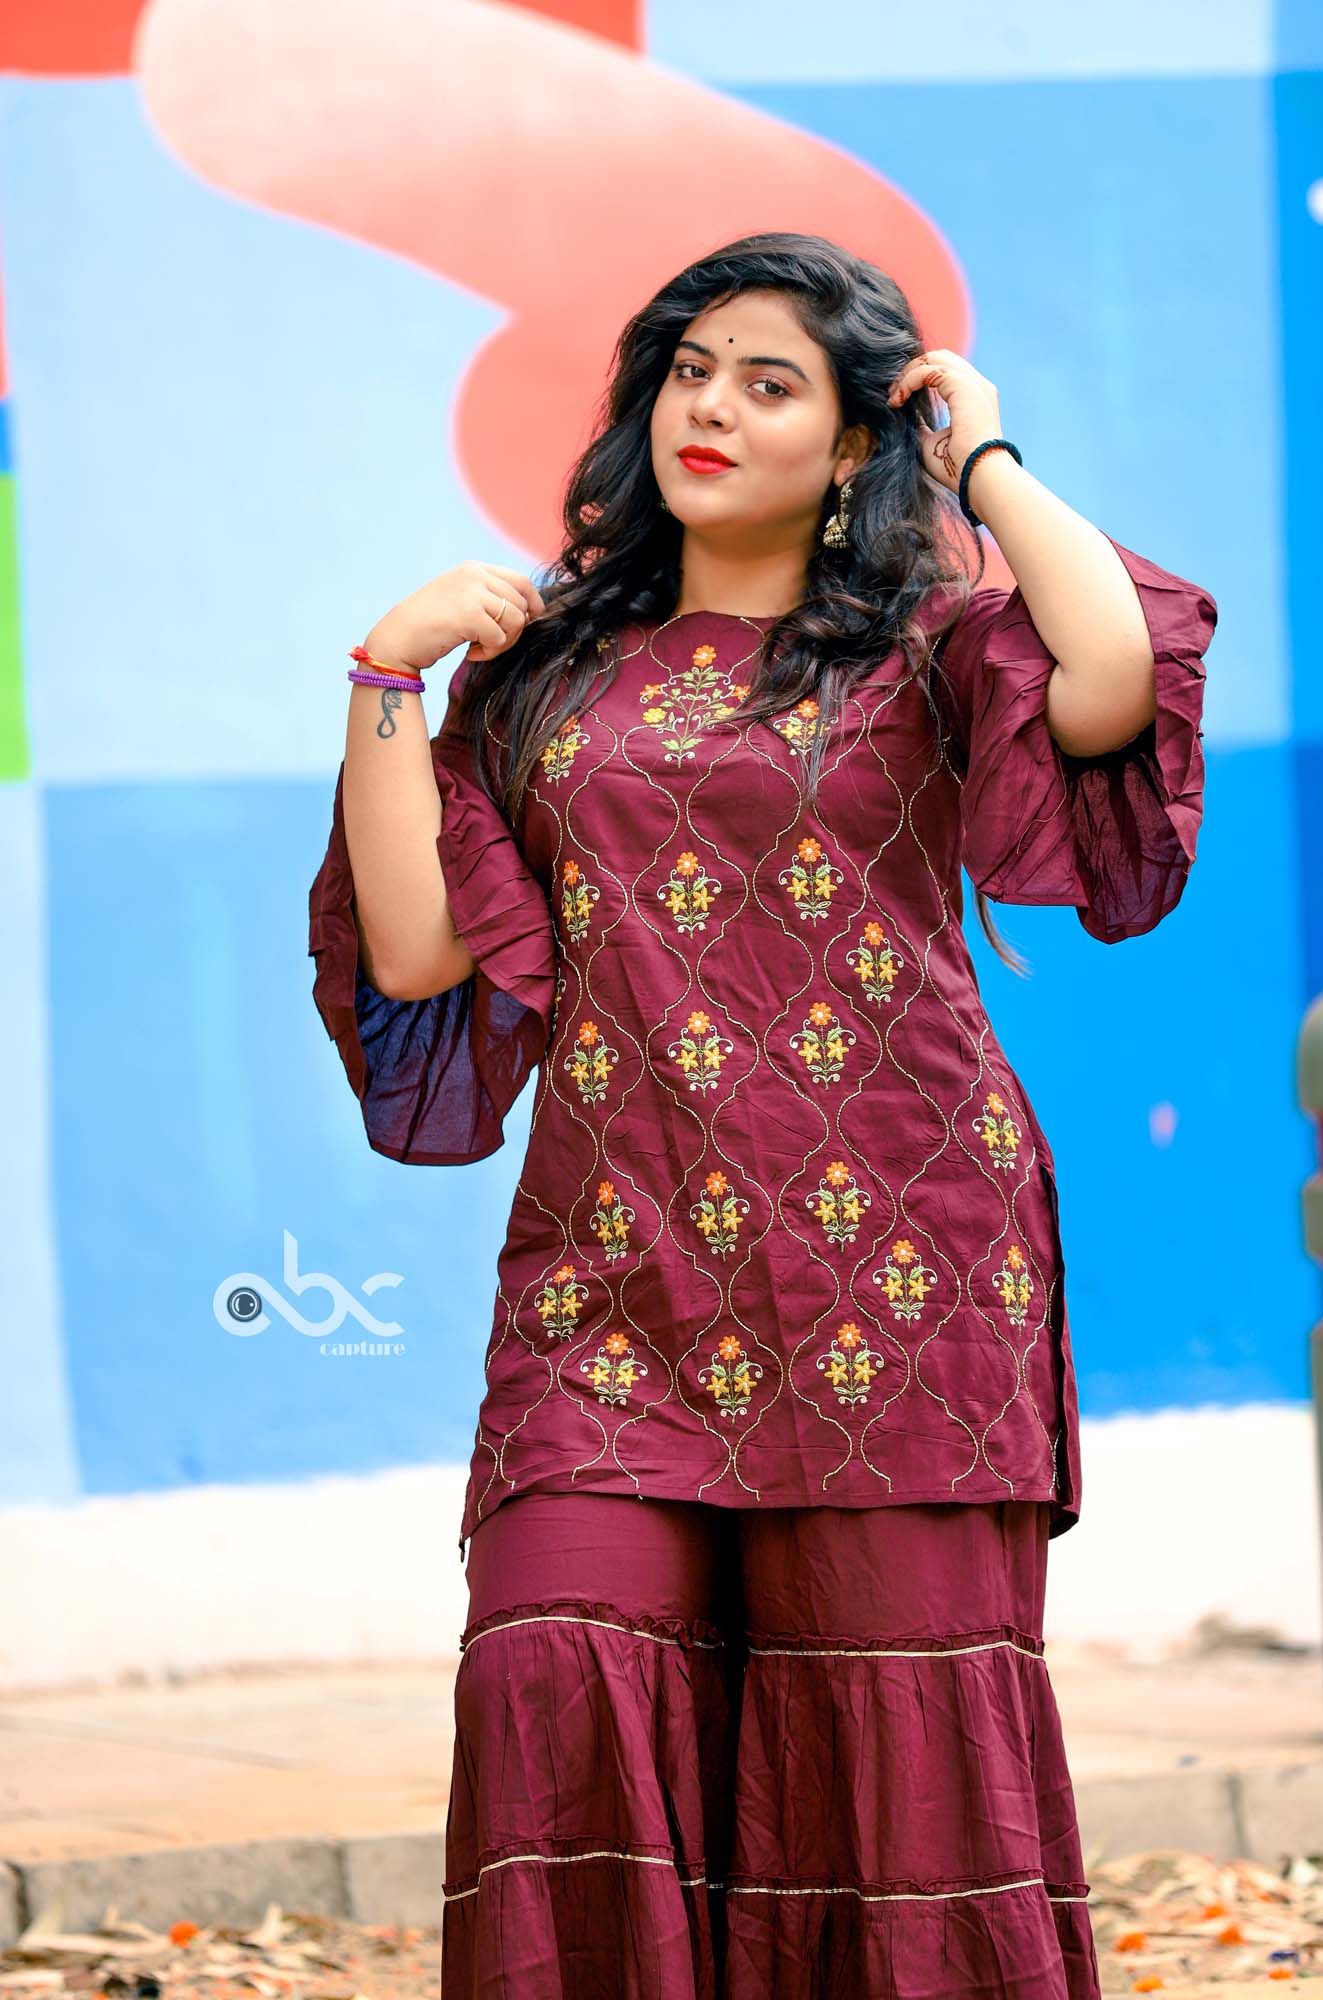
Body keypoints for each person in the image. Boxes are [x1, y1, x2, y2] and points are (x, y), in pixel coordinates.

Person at [308, 232, 1217, 1998]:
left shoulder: (937, 645)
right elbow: (416, 949)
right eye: (687, 370)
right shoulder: (547, 667)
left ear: (855, 439)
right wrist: (382, 682)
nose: (706, 408)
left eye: (767, 382)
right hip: (614, 1271)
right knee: (551, 1660)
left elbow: (1110, 673)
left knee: (888, 1754)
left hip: (904, 1263)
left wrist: (979, 458)